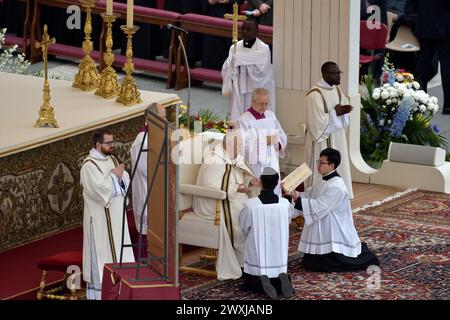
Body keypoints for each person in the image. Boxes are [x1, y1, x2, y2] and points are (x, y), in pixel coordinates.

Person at [285, 148, 379, 272]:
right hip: (323, 223)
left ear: (332, 165)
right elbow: (311, 195)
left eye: (322, 163)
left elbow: (319, 207)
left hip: (333, 228)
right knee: (310, 262)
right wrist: (294, 193)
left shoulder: (336, 186)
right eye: (319, 161)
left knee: (328, 263)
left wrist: (297, 198)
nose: (318, 165)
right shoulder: (323, 179)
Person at [192, 131, 260, 280]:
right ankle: (239, 262)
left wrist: (250, 182)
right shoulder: (214, 160)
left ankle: (246, 260)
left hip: (232, 196)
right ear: (229, 146)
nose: (240, 150)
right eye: (238, 147)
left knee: (252, 210)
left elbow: (239, 175)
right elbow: (209, 185)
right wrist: (235, 188)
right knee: (238, 216)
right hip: (213, 201)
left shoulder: (232, 157)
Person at [80, 128, 135, 300]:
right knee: (101, 257)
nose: (112, 145)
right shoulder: (89, 166)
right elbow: (98, 190)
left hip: (117, 219)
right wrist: (113, 177)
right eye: (108, 143)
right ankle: (99, 296)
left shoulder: (111, 159)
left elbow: (124, 178)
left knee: (120, 255)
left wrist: (119, 177)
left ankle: (121, 294)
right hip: (99, 222)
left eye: (112, 142)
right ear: (98, 144)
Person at [239, 167, 299, 299]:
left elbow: (244, 226)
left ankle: (257, 281)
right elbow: (288, 220)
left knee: (254, 251)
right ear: (277, 183)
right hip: (279, 251)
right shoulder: (284, 204)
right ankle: (281, 279)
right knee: (278, 265)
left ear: (260, 182)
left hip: (258, 250)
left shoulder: (250, 205)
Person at [304, 62, 354, 199]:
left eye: (339, 72)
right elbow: (316, 124)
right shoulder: (314, 95)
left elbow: (342, 112)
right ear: (325, 74)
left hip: (337, 138)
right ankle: (315, 199)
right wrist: (334, 113)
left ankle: (339, 197)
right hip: (321, 141)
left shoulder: (337, 90)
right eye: (335, 73)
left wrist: (344, 111)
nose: (338, 76)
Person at [130, 103, 166, 260]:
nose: (166, 119)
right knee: (147, 231)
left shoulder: (155, 135)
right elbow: (147, 169)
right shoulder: (142, 141)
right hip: (147, 191)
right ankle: (146, 263)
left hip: (156, 190)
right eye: (163, 116)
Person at [222, 19, 275, 122]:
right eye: (243, 29)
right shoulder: (234, 47)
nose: (245, 32)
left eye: (248, 29)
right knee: (237, 118)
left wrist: (240, 60)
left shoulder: (263, 48)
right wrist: (234, 63)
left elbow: (262, 71)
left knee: (254, 118)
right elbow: (227, 67)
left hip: (254, 89)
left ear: (256, 32)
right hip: (238, 89)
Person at [238, 88, 287, 196]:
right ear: (253, 102)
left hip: (272, 162)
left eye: (266, 104)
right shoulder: (244, 119)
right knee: (259, 194)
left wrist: (277, 144)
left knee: (275, 193)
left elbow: (282, 136)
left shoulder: (271, 115)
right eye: (261, 104)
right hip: (257, 165)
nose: (264, 107)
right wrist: (264, 140)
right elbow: (244, 146)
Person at [406, 0, 450, 114]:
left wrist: (415, 24)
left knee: (422, 64)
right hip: (445, 28)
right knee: (447, 67)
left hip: (424, 26)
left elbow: (410, 8)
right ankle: (448, 105)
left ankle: (420, 101)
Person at [201, 0, 243, 71]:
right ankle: (209, 70)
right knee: (211, 43)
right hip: (211, 14)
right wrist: (209, 1)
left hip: (230, 13)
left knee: (228, 43)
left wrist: (228, 1)